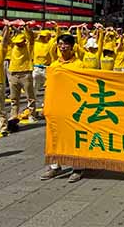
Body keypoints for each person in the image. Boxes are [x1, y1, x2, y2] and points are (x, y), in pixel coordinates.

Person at [41, 34, 85, 183]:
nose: (62, 46)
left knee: (74, 137)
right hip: (55, 109)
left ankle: (77, 167)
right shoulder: (53, 66)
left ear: (72, 46)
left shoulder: (79, 65)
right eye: (60, 44)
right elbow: (48, 88)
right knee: (54, 136)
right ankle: (55, 166)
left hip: (73, 108)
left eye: (66, 44)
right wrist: (45, 105)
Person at [8, 23, 37, 129]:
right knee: (14, 99)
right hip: (13, 74)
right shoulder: (13, 45)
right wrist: (9, 26)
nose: (18, 44)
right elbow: (6, 38)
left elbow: (30, 36)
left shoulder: (29, 46)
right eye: (17, 42)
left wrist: (25, 26)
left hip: (26, 73)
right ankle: (13, 116)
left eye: (21, 42)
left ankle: (31, 115)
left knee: (30, 97)